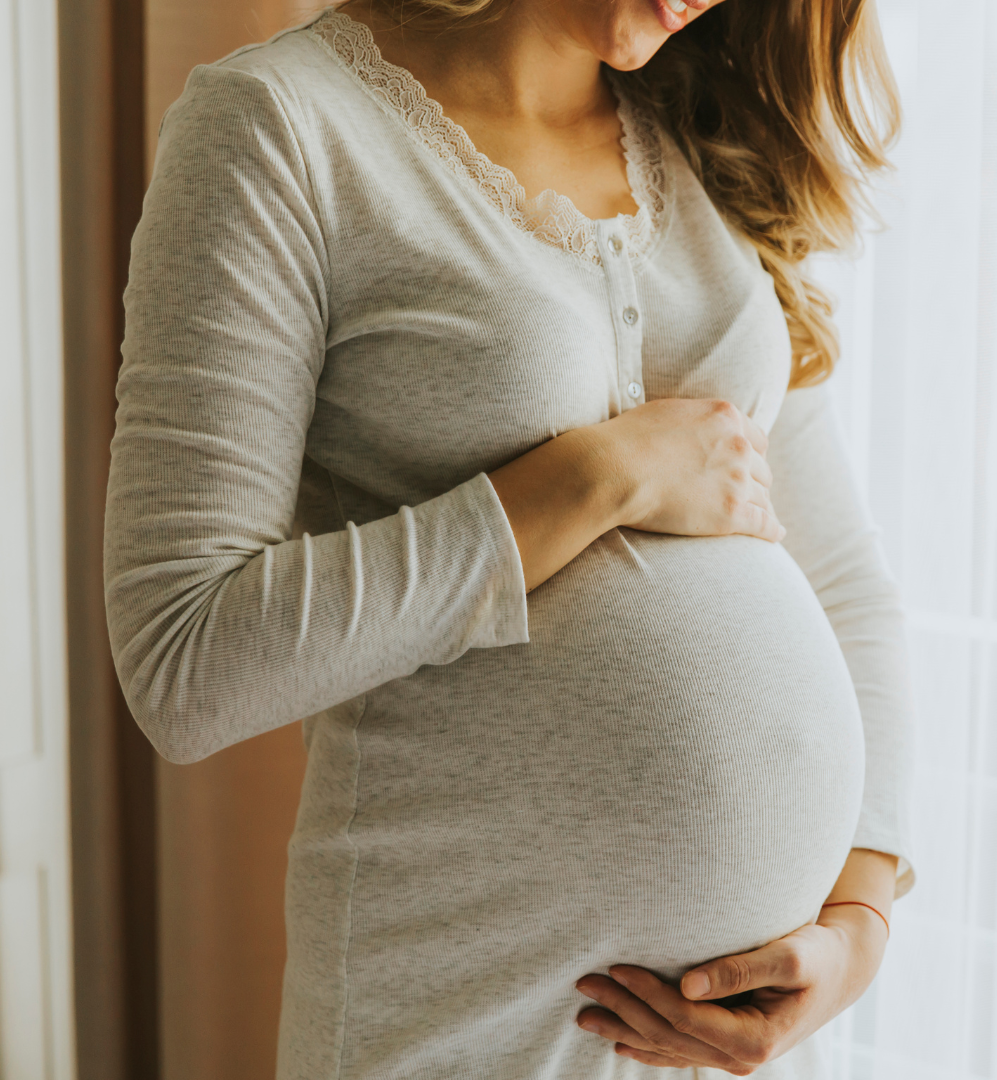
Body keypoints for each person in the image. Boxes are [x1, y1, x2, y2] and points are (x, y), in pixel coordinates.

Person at [104, 0, 915, 1075]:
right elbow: (183, 663)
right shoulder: (284, 128)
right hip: (464, 1014)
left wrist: (857, 924)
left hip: (732, 1037)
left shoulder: (703, 129)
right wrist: (590, 481)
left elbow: (845, 580)